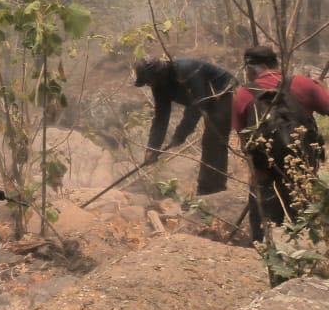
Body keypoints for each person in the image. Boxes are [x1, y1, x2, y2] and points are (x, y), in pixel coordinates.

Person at [232, 46, 329, 242]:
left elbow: (243, 140)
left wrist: (256, 170)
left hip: (265, 175)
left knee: (265, 235)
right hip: (302, 172)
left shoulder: (242, 95)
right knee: (306, 230)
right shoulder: (303, 84)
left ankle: (261, 254)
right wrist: (322, 89)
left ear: (252, 67)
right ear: (276, 64)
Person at [133, 57, 236, 195]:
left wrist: (180, 134)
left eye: (149, 81)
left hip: (225, 93)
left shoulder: (186, 70)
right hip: (209, 102)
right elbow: (161, 117)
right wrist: (152, 148)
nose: (149, 85)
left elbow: (198, 104)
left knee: (213, 138)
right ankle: (210, 188)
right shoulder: (159, 86)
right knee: (210, 140)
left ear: (157, 74)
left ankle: (211, 189)